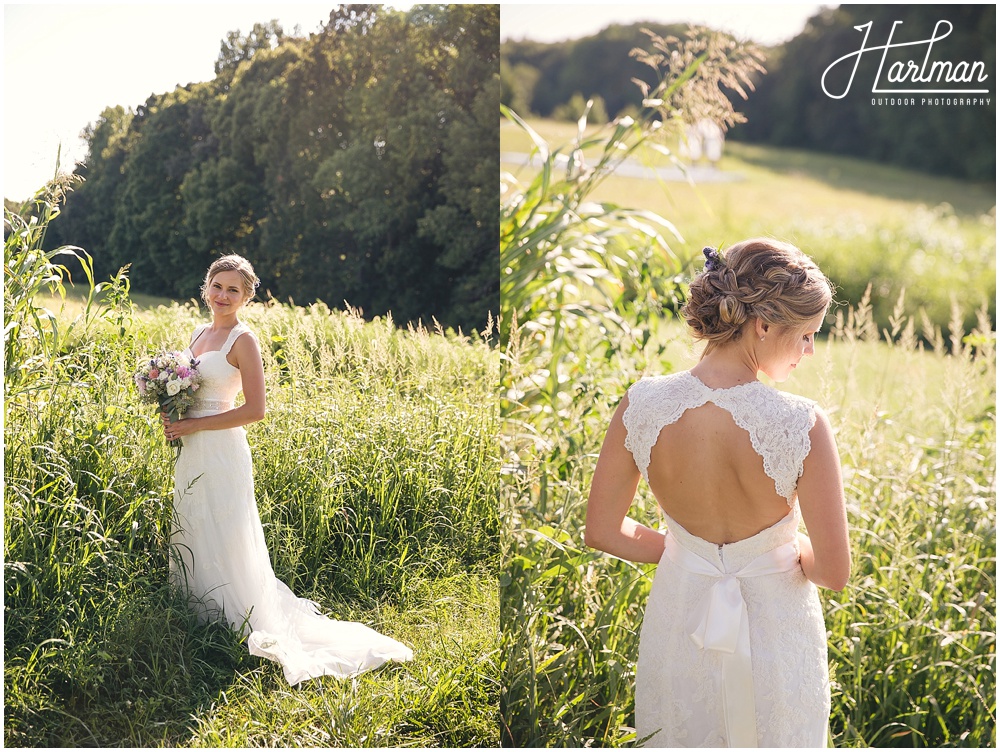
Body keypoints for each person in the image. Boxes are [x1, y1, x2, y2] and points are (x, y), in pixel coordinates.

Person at [584, 239, 850, 747]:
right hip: (776, 625)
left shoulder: (642, 404)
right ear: (765, 325)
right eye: (807, 335)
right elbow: (833, 572)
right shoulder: (801, 424)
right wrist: (773, 554)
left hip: (680, 611)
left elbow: (601, 530)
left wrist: (691, 555)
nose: (809, 351)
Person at [161, 254, 413, 685]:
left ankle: (236, 617)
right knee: (193, 521)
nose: (223, 295)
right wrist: (171, 410)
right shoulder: (197, 332)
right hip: (191, 446)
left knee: (227, 527)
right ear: (206, 288)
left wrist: (195, 423)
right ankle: (196, 611)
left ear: (246, 297)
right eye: (217, 286)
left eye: (233, 290)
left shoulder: (244, 340)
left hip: (222, 447)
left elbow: (255, 410)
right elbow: (189, 387)